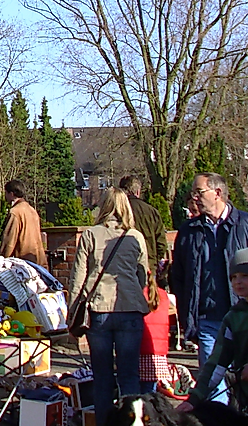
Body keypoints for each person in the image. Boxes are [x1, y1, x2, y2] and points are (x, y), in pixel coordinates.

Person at [179, 246, 248, 422]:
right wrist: (194, 399)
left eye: (245, 276)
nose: (238, 282)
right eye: (234, 277)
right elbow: (216, 362)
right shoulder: (234, 317)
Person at [171, 172, 248, 371]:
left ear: (217, 193)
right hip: (207, 320)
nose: (194, 197)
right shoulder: (189, 231)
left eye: (199, 192)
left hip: (245, 318)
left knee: (244, 382)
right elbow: (178, 276)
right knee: (212, 383)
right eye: (193, 193)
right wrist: (187, 315)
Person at [69, 187, 149, 414]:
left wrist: (72, 314)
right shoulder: (135, 237)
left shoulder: (90, 235)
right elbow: (142, 276)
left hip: (99, 309)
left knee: (102, 378)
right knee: (129, 376)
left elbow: (78, 279)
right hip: (130, 308)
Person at [119, 175, 168, 270]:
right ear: (138, 191)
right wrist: (154, 262)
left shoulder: (118, 211)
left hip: (122, 266)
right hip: (148, 265)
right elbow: (161, 244)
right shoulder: (152, 212)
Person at [139, 270, 171, 394]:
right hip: (158, 351)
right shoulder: (162, 295)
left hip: (139, 349)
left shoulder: (136, 293)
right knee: (150, 392)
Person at [0, 180, 45, 265]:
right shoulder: (32, 210)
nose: (5, 196)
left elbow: (9, 241)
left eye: (6, 193)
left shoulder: (15, 212)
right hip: (37, 260)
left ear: (11, 194)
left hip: (23, 262)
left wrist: (1, 260)